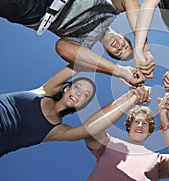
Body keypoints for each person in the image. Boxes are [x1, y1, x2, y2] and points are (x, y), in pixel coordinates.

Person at [0, 0, 145, 86]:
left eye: (118, 53)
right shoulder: (111, 6)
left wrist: (121, 72)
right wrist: (142, 48)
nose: (120, 48)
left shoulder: (83, 45)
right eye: (125, 46)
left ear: (107, 51)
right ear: (122, 35)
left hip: (31, 7)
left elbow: (62, 48)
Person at [0, 63, 148, 157]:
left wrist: (131, 98)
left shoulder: (58, 131)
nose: (78, 93)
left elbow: (90, 128)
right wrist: (119, 72)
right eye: (77, 87)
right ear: (66, 88)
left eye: (85, 95)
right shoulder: (44, 90)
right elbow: (80, 63)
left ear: (82, 105)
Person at [85, 105, 169, 180]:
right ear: (129, 126)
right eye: (137, 122)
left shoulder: (157, 158)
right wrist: (128, 100)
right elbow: (90, 130)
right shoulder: (110, 143)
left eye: (145, 123)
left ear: (149, 132)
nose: (140, 125)